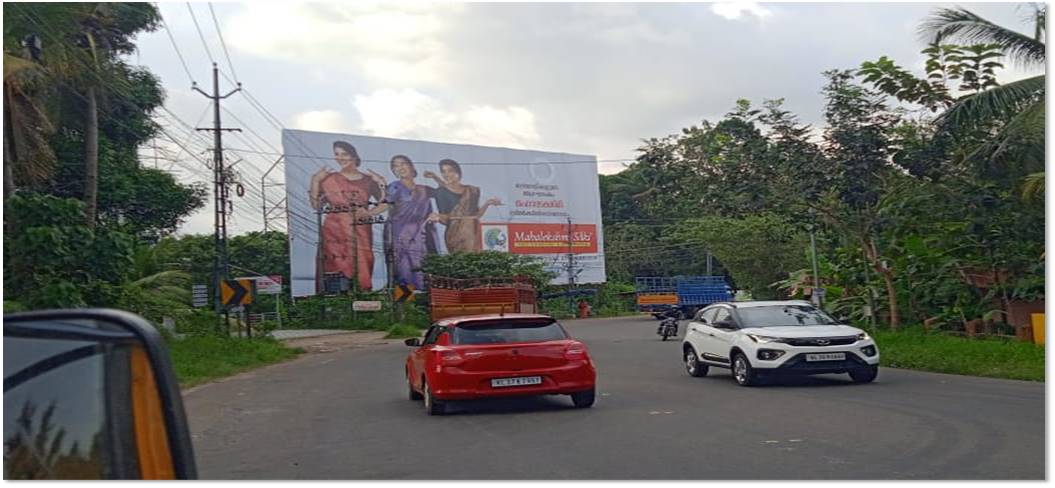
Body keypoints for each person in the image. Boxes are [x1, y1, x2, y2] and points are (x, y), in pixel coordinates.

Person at [309, 141, 387, 292]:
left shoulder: (368, 180)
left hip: (360, 227)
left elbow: (386, 202)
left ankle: (363, 298)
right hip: (333, 230)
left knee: (363, 263)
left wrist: (381, 184)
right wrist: (315, 180)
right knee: (334, 268)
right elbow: (316, 206)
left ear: (354, 155)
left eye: (344, 154)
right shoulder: (328, 179)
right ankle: (335, 300)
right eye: (337, 154)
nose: (340, 158)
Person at [424, 159, 502, 253]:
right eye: (443, 171)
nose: (447, 174)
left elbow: (476, 215)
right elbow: (446, 219)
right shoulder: (441, 193)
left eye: (450, 170)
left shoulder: (472, 190)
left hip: (472, 233)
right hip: (454, 236)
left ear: (458, 172)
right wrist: (438, 217)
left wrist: (487, 203)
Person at [383, 155, 438, 290]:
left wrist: (436, 178)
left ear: (412, 167)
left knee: (422, 266)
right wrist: (367, 213)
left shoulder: (424, 189)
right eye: (395, 166)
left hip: (420, 235)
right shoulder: (394, 187)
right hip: (399, 235)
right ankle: (405, 304)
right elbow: (384, 205)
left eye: (403, 164)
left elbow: (444, 192)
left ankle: (422, 298)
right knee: (403, 268)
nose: (400, 167)